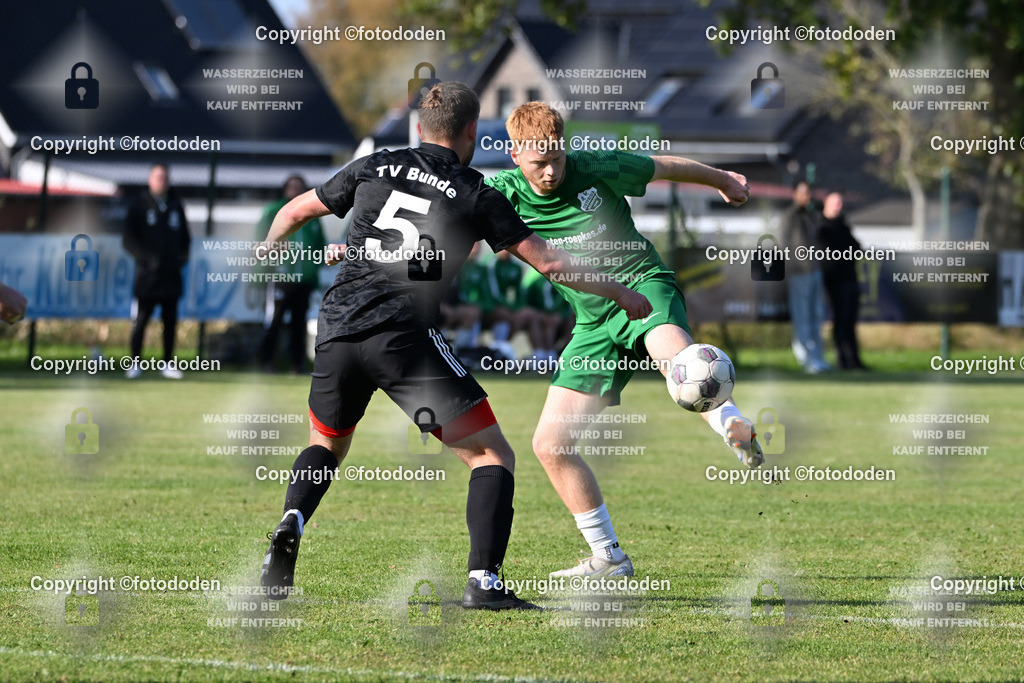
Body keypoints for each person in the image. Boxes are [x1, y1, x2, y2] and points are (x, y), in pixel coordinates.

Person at [255, 82, 651, 610]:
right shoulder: (476, 191)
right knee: (492, 454)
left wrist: (268, 248)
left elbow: (297, 210)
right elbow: (551, 262)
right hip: (403, 339)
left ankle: (291, 521)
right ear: (472, 132)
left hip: (337, 329)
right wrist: (620, 291)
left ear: (419, 128)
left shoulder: (376, 165)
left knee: (326, 445)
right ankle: (483, 583)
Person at [485, 102, 763, 578]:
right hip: (593, 323)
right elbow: (447, 215)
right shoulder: (498, 194)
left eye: (557, 158)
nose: (551, 171)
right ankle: (609, 558)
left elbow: (664, 166)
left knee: (677, 361)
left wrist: (722, 179)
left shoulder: (598, 164)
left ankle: (732, 424)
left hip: (642, 285)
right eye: (539, 163)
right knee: (551, 445)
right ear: (514, 155)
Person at [122, 163, 191, 379]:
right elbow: (128, 239)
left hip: (171, 276)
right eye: (158, 177)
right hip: (147, 277)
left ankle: (168, 363)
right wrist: (145, 260)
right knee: (141, 320)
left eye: (165, 178)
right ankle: (134, 363)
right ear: (150, 179)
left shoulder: (176, 205)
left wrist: (180, 259)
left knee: (170, 322)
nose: (162, 181)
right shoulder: (140, 205)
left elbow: (186, 238)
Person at [256, 175, 326, 374]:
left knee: (299, 323)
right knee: (274, 320)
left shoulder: (313, 214)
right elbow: (260, 240)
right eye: (291, 186)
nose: (294, 190)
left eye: (299, 187)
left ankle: (298, 364)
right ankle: (266, 362)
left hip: (303, 279)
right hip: (280, 276)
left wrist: (313, 270)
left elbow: (319, 245)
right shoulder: (274, 211)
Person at [780, 181, 830, 374]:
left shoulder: (811, 214)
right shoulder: (790, 216)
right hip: (799, 272)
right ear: (795, 194)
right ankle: (807, 360)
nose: (807, 196)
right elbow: (783, 243)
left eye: (809, 192)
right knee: (802, 316)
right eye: (803, 193)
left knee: (816, 315)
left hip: (815, 270)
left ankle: (818, 357)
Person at [818, 191, 866, 370]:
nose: (839, 206)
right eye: (835, 202)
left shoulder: (843, 225)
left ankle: (854, 360)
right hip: (834, 281)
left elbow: (856, 247)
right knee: (841, 320)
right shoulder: (821, 226)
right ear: (826, 203)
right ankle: (843, 360)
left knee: (850, 320)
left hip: (850, 278)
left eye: (841, 202)